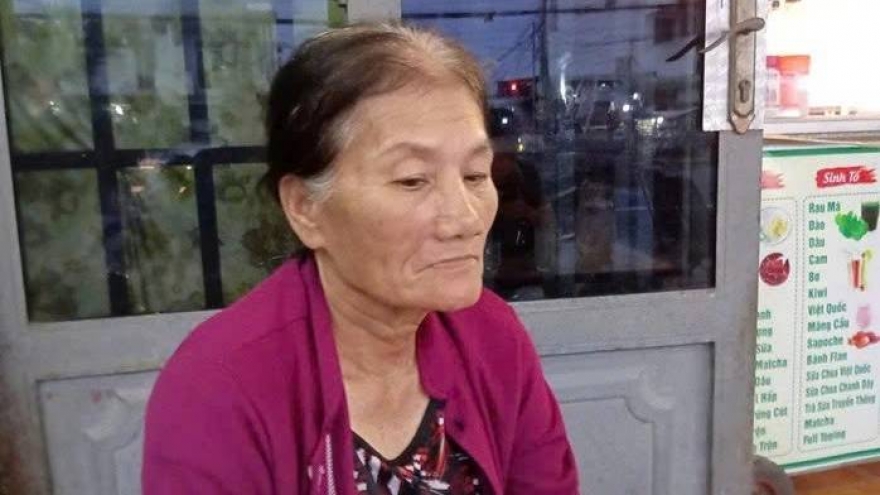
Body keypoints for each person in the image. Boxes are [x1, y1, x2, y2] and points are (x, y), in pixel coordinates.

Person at [142, 23, 579, 495]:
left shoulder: (492, 338)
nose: (465, 219)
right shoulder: (218, 390)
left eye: (475, 175)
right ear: (306, 209)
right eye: (412, 180)